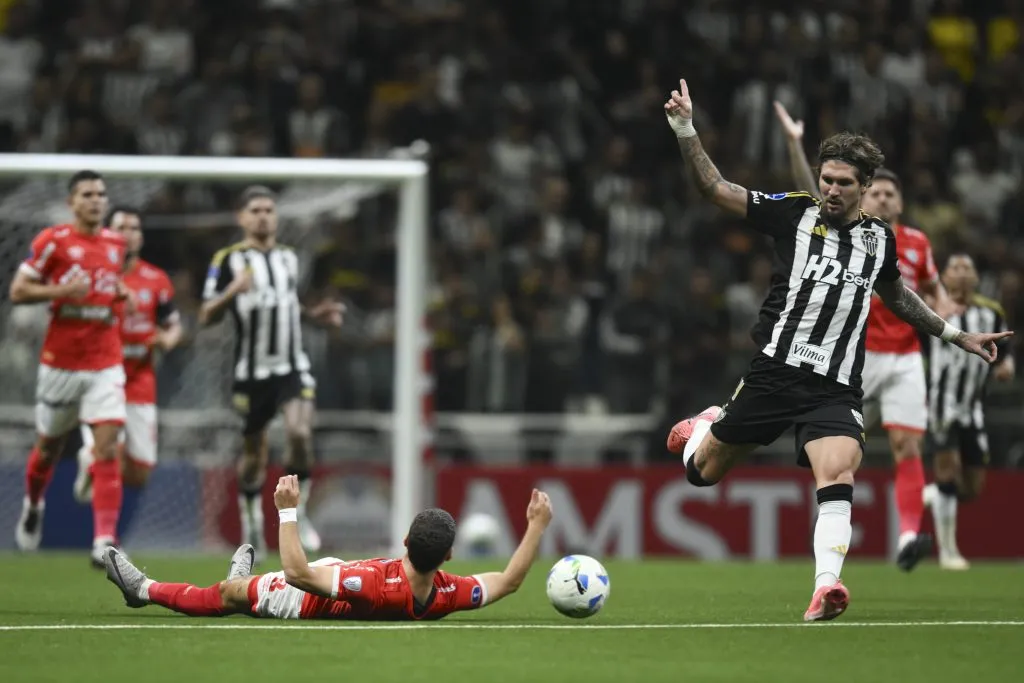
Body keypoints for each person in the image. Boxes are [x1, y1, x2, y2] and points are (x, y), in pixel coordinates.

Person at [661, 79, 1012, 622]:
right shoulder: (792, 213)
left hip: (835, 385)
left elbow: (896, 294)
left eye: (844, 183)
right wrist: (685, 128)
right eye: (826, 179)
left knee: (838, 472)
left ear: (866, 187)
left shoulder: (879, 240)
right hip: (776, 372)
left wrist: (954, 335)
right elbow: (716, 189)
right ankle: (708, 423)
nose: (831, 189)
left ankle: (826, 587)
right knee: (701, 473)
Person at [773, 101, 953, 572]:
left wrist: (949, 319)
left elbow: (931, 293)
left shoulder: (913, 244)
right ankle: (822, 524)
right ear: (866, 196)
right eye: (881, 195)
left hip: (906, 358)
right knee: (827, 450)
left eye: (894, 194)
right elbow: (809, 194)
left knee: (907, 447)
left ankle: (909, 534)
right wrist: (795, 142)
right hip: (854, 358)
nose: (887, 201)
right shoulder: (841, 232)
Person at [103, 476, 553, 621]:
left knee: (227, 595)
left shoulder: (379, 586)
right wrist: (535, 526)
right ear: (448, 558)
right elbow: (509, 581)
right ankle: (244, 577)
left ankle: (142, 590)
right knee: (248, 583)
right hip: (335, 572)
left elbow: (298, 573)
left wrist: (287, 512)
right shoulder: (448, 592)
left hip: (306, 596)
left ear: (403, 543)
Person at [199, 186, 344, 562]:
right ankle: (250, 521)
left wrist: (317, 316)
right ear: (242, 217)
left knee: (298, 433)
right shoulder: (227, 260)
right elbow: (205, 316)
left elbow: (289, 304)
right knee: (254, 455)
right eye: (256, 210)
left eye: (269, 210)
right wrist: (233, 291)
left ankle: (302, 509)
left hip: (292, 367)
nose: (263, 216)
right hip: (252, 373)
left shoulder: (289, 259)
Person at [10, 170, 131, 567]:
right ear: (72, 202)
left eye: (101, 193)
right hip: (61, 362)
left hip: (105, 361)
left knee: (109, 445)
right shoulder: (53, 242)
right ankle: (33, 504)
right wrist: (60, 291)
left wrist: (120, 296)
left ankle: (103, 541)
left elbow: (111, 294)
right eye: (87, 194)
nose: (96, 200)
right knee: (48, 448)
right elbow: (19, 291)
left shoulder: (116, 245)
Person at [75, 206, 183, 501]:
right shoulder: (93, 276)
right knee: (112, 451)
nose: (129, 234)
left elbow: (173, 326)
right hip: (103, 377)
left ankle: (93, 462)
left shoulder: (156, 279)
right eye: (121, 227)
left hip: (140, 381)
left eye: (135, 228)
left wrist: (167, 339)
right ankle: (96, 462)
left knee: (140, 475)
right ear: (106, 232)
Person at [922, 253, 1015, 570]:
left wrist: (1007, 367)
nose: (961, 274)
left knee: (972, 487)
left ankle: (937, 493)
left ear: (976, 278)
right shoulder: (932, 308)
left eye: (967, 269)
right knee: (948, 470)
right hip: (940, 404)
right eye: (955, 268)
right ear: (944, 277)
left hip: (973, 407)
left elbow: (1005, 352)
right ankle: (948, 552)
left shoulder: (992, 313)